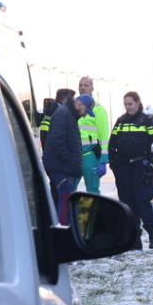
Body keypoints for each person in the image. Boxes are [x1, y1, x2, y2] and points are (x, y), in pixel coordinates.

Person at [108, 90, 153, 248]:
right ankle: (134, 239)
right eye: (125, 104)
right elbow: (112, 144)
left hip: (141, 167)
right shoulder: (121, 121)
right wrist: (113, 164)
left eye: (130, 104)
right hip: (123, 167)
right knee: (127, 204)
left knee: (142, 201)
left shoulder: (147, 121)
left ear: (138, 103)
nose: (128, 107)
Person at [41, 91, 88, 225]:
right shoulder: (64, 114)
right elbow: (57, 140)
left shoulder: (67, 114)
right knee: (65, 205)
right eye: (86, 110)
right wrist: (70, 160)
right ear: (80, 104)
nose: (85, 114)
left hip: (63, 167)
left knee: (63, 202)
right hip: (63, 169)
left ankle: (61, 232)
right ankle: (62, 234)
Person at [76, 76, 110, 193]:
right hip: (74, 154)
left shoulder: (99, 110)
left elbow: (104, 137)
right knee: (68, 189)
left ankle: (93, 212)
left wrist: (103, 160)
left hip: (90, 154)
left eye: (86, 85)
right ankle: (69, 211)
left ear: (92, 88)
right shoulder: (72, 108)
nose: (83, 88)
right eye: (81, 85)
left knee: (92, 190)